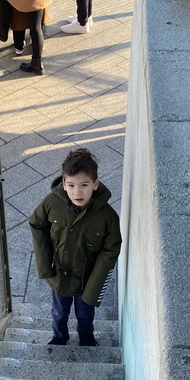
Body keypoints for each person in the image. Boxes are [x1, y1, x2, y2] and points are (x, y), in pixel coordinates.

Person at [29, 147, 121, 345]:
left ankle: (86, 337)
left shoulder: (107, 217)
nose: (77, 192)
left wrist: (95, 285)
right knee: (59, 312)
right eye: (70, 185)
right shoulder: (52, 203)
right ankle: (59, 337)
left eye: (84, 185)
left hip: (87, 281)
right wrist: (45, 266)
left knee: (85, 314)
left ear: (95, 184)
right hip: (59, 276)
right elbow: (37, 224)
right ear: (63, 183)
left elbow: (111, 248)